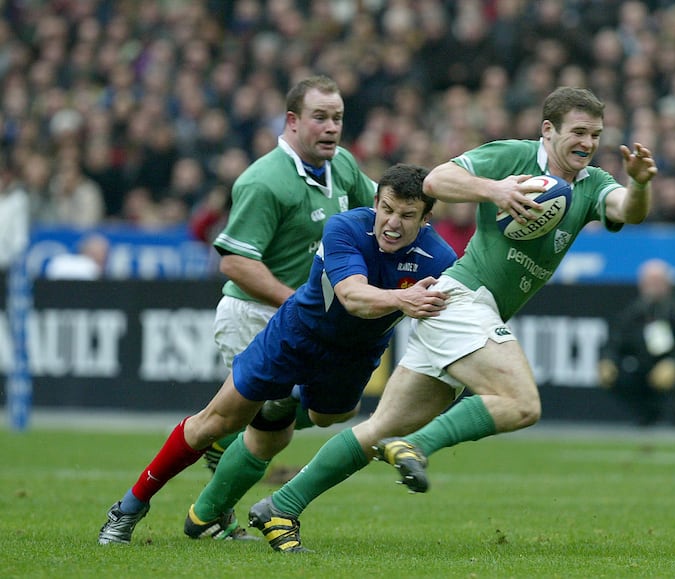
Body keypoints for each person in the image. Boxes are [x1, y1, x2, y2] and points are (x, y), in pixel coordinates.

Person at [244, 86, 658, 553]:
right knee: (521, 404)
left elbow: (627, 210)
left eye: (595, 134)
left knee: (379, 430)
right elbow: (437, 181)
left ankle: (279, 506)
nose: (587, 142)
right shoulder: (512, 157)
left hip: (455, 308)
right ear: (548, 131)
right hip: (463, 299)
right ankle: (418, 447)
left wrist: (640, 183)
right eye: (578, 132)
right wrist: (495, 190)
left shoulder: (592, 183)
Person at [97, 163, 457, 545]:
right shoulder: (346, 228)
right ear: (375, 202)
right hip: (296, 336)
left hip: (356, 354)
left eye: (406, 215)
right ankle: (128, 508)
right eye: (387, 209)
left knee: (332, 415)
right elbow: (352, 297)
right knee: (214, 422)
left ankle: (278, 407)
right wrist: (405, 298)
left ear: (426, 218)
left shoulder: (440, 258)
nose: (392, 223)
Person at [203, 75, 377, 471]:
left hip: (304, 316)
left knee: (334, 408)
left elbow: (380, 212)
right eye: (320, 117)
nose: (331, 127)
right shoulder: (263, 181)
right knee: (272, 421)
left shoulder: (344, 165)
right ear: (293, 120)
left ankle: (228, 439)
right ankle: (213, 512)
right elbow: (233, 261)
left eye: (338, 117)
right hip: (254, 315)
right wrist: (296, 301)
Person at [597, 259, 675, 426]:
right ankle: (645, 414)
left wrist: (673, 363)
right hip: (643, 367)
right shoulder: (633, 312)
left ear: (668, 283)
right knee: (618, 374)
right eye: (649, 281)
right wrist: (607, 360)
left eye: (658, 281)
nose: (653, 286)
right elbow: (615, 341)